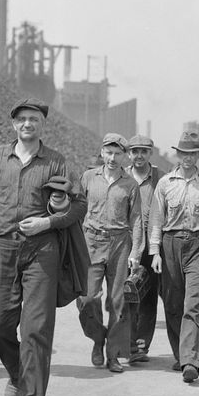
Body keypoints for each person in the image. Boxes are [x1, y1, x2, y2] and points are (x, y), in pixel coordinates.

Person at [0, 97, 87, 396]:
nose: (27, 124)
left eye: (34, 119)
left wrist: (47, 223)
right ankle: (19, 373)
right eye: (21, 119)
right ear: (13, 125)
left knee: (36, 329)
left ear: (42, 124)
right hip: (2, 249)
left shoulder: (56, 162)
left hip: (41, 251)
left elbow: (78, 206)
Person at [149, 131, 199, 383]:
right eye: (184, 153)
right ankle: (180, 353)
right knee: (172, 304)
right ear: (177, 154)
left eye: (192, 154)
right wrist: (154, 252)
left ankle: (191, 361)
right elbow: (157, 220)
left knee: (193, 304)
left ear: (198, 155)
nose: (188, 158)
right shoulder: (165, 183)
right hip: (170, 245)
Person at [76, 132, 144, 373]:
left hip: (119, 244)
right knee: (86, 299)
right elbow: (76, 211)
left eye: (117, 153)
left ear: (124, 156)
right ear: (102, 152)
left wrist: (136, 252)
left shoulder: (130, 185)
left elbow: (136, 220)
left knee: (118, 303)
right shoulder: (87, 178)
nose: (112, 158)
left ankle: (113, 354)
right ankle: (97, 338)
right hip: (91, 242)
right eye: (109, 152)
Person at [125, 134, 165, 365]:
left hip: (152, 245)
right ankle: (128, 341)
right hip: (127, 243)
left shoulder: (161, 178)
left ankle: (140, 344)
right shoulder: (123, 176)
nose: (139, 155)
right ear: (129, 154)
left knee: (148, 295)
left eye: (144, 151)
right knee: (127, 293)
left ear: (151, 153)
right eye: (135, 151)